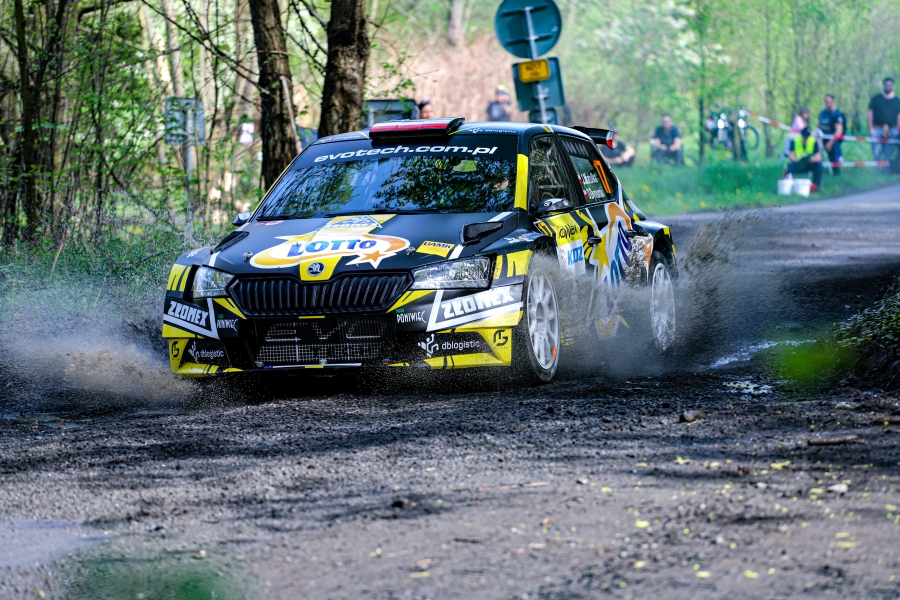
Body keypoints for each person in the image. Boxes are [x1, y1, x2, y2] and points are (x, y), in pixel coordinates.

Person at [867, 77, 900, 165]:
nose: (888, 87)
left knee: (889, 152)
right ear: (883, 85)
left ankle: (886, 169)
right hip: (877, 129)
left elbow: (899, 116)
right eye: (886, 85)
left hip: (892, 129)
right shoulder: (876, 99)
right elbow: (870, 113)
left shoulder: (897, 101)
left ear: (893, 86)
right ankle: (876, 170)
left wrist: (897, 130)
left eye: (890, 85)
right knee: (876, 152)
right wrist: (871, 129)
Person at [786, 126, 822, 192]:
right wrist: (797, 160)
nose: (806, 138)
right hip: (798, 163)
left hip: (808, 163)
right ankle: (789, 186)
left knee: (818, 165)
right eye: (805, 137)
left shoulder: (813, 141)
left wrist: (812, 159)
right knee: (790, 165)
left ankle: (815, 186)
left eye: (807, 137)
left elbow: (818, 156)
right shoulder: (795, 141)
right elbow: (791, 155)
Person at [818, 95, 845, 175]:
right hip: (822, 139)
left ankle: (836, 172)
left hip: (833, 140)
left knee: (834, 151)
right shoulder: (822, 113)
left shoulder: (837, 114)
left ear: (833, 102)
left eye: (829, 101)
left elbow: (839, 131)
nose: (828, 103)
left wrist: (830, 143)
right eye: (826, 101)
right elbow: (818, 127)